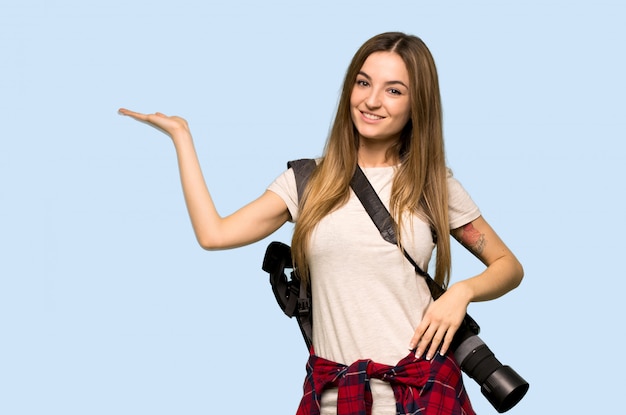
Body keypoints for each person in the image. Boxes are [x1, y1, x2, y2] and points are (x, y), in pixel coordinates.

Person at [119, 32, 523, 415]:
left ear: (418, 105)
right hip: (333, 397)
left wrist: (462, 293)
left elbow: (509, 266)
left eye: (394, 90)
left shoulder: (434, 187)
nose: (372, 101)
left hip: (422, 393)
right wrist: (181, 137)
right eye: (363, 83)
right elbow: (214, 234)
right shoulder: (308, 181)